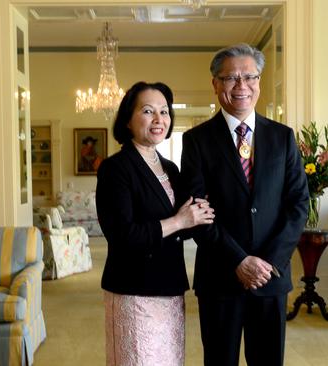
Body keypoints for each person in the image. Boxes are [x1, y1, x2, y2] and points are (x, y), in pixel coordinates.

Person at [180, 43, 309, 365]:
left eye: (249, 76)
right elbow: (197, 213)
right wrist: (239, 260)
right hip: (220, 277)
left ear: (259, 81)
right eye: (230, 78)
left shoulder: (283, 137)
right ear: (215, 84)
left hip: (271, 275)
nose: (241, 86)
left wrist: (267, 263)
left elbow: (298, 205)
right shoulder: (196, 141)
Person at [96, 81, 215, 366]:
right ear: (127, 119)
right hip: (134, 290)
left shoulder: (171, 169)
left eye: (164, 111)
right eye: (148, 111)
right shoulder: (115, 169)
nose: (159, 119)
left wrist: (198, 215)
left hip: (170, 287)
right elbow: (123, 234)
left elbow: (179, 229)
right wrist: (178, 220)